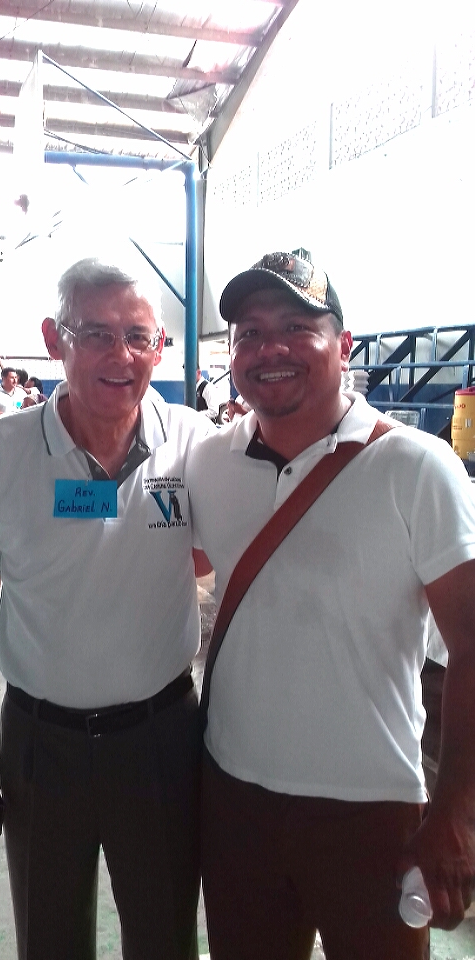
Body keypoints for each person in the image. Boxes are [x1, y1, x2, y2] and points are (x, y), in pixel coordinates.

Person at [187, 248, 475, 960]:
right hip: (234, 797)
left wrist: (455, 813)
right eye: (250, 333)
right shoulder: (208, 463)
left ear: (343, 345)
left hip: (371, 809)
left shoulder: (416, 467)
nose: (270, 349)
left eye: (296, 327)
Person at [0, 257, 214, 960]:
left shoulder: (192, 442)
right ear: (52, 338)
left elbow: (211, 554)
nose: (120, 355)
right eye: (96, 333)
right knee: (50, 935)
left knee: (164, 934)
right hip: (42, 742)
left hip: (160, 736)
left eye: (138, 335)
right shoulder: (3, 449)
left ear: (161, 346)